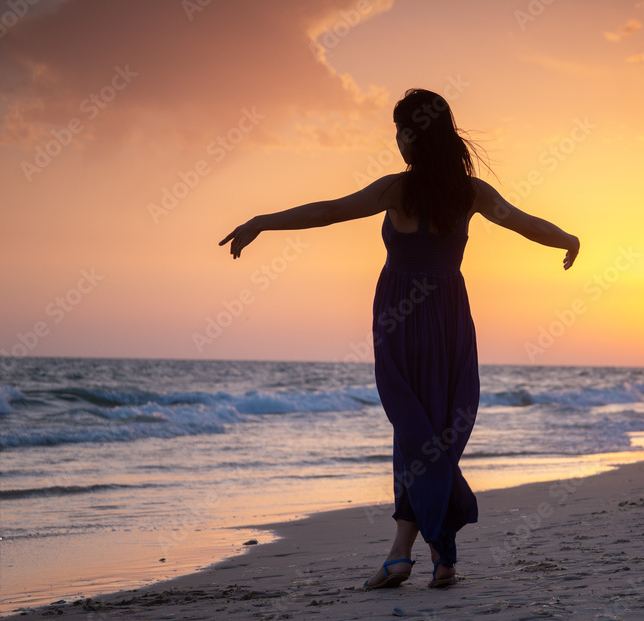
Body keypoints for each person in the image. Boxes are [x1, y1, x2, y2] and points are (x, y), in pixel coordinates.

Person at [219, 88, 580, 589]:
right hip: (450, 319)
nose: (397, 143)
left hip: (400, 320)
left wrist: (264, 221)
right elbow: (527, 224)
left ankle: (412, 556)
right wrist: (568, 239)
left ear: (414, 136)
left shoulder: (397, 190)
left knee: (416, 435)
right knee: (431, 436)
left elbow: (329, 210)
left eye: (399, 134)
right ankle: (428, 554)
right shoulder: (471, 194)